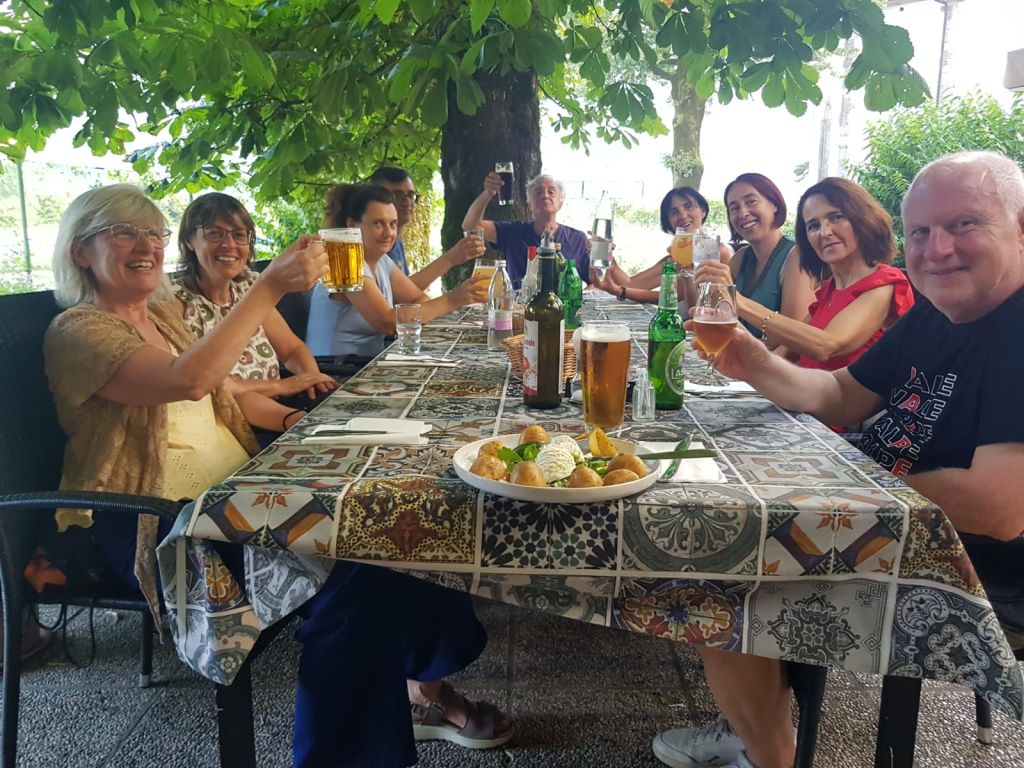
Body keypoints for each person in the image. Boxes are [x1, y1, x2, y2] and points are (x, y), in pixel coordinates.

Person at [44, 184, 512, 768]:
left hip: (238, 494)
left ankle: (426, 691)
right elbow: (189, 381)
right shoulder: (79, 331)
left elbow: (228, 397)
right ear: (81, 252)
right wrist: (267, 287)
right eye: (122, 233)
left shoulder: (163, 317)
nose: (144, 246)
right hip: (160, 526)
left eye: (152, 234)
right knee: (359, 575)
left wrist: (302, 421)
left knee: (400, 519)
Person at [653, 150, 1024, 768]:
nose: (936, 250)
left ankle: (767, 752)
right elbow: (841, 394)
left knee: (714, 566)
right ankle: (756, 728)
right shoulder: (936, 312)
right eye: (923, 232)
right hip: (886, 509)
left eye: (964, 225)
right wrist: (752, 361)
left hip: (964, 563)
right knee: (717, 521)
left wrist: (846, 483)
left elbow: (1000, 506)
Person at [174, 192, 337, 404]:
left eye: (240, 235)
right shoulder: (176, 304)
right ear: (189, 241)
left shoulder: (248, 287)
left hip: (281, 409)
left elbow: (291, 350)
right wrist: (282, 385)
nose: (229, 244)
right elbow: (207, 385)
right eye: (215, 234)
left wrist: (312, 380)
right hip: (233, 425)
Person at [738, 177, 914, 371]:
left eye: (836, 217)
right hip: (808, 398)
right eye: (813, 226)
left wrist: (740, 303)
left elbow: (826, 345)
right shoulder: (829, 290)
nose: (825, 232)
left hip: (852, 401)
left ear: (863, 219)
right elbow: (784, 352)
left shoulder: (884, 284)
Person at [306, 184, 488, 357]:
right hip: (335, 373)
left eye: (393, 224)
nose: (388, 233)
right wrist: (453, 299)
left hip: (367, 363)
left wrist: (413, 317)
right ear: (352, 225)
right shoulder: (343, 261)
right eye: (378, 224)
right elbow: (387, 322)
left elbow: (416, 297)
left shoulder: (382, 259)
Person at [695, 173, 817, 336]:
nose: (743, 213)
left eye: (751, 201)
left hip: (776, 361)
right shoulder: (740, 258)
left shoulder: (796, 256)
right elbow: (718, 319)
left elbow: (794, 344)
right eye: (734, 208)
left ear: (774, 204)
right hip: (744, 356)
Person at [589, 186, 733, 304]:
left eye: (688, 206)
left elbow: (676, 296)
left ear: (703, 211)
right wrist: (607, 256)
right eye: (674, 212)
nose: (683, 215)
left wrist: (619, 291)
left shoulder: (720, 252)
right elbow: (632, 283)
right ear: (669, 221)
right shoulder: (675, 257)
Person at [462, 171, 590, 287]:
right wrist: (488, 193)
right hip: (519, 310)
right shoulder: (513, 232)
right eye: (538, 192)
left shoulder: (577, 239)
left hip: (564, 310)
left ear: (560, 203)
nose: (545, 196)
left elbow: (595, 282)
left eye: (551, 192)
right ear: (529, 204)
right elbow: (470, 226)